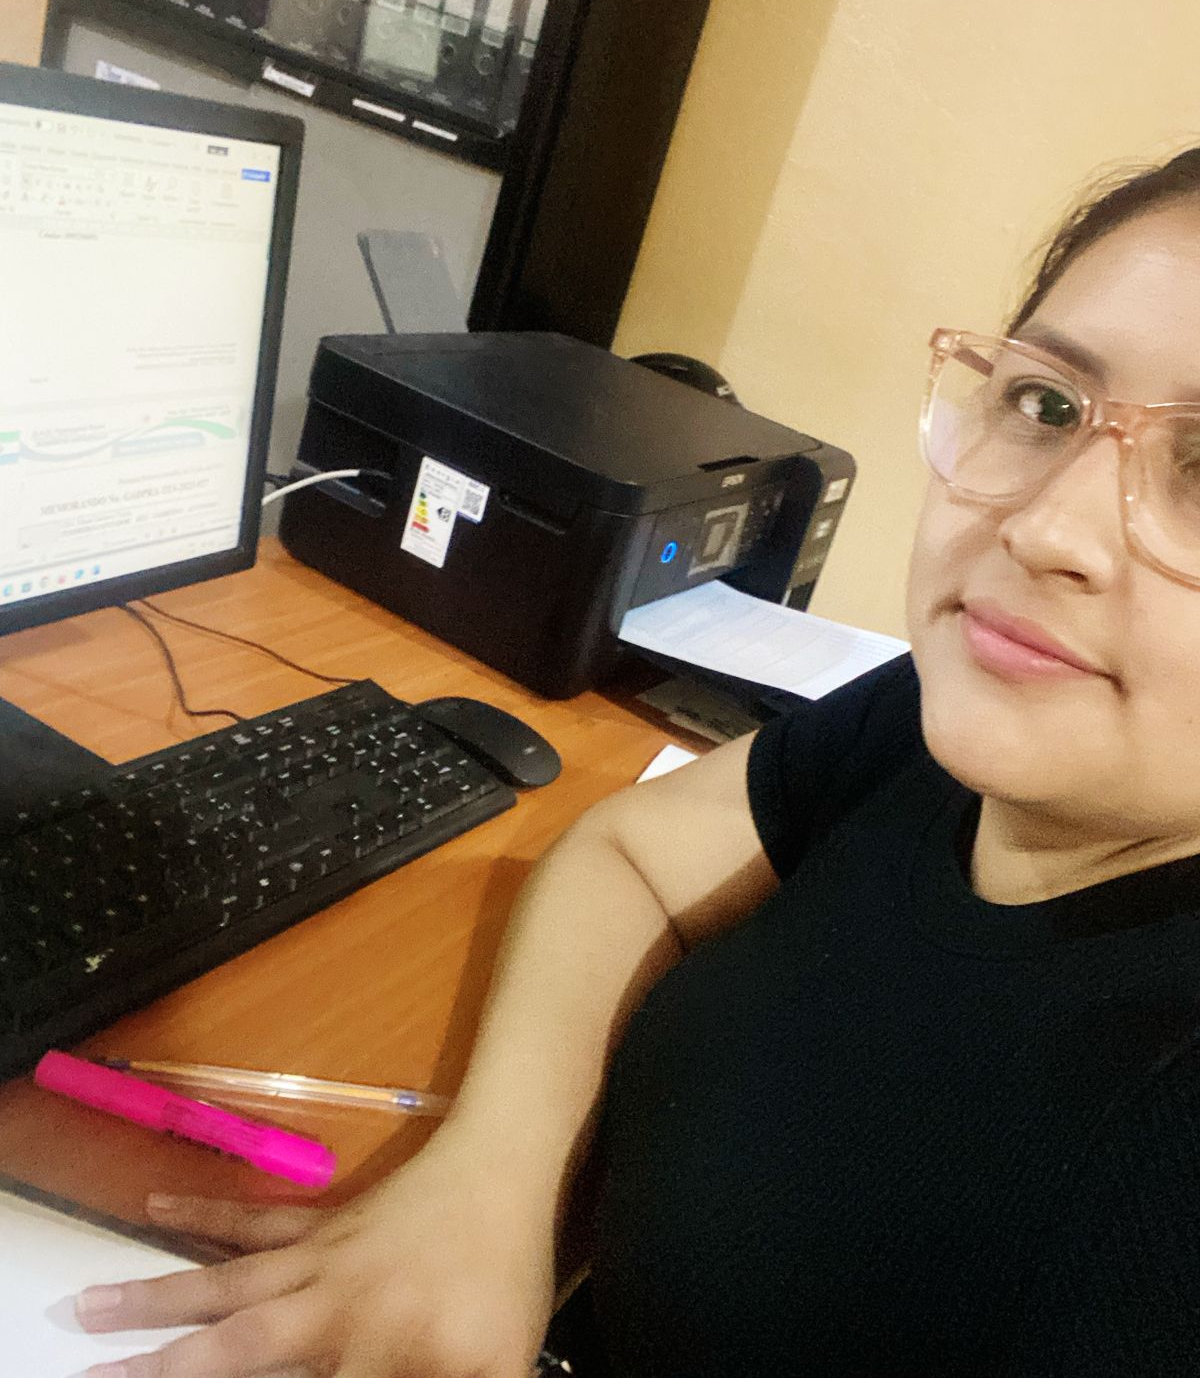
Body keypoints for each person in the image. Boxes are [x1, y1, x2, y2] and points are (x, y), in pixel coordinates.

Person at [73, 149, 1200, 1377]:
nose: (1044, 527)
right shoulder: (956, 729)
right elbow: (637, 851)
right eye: (1047, 404)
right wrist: (488, 1193)